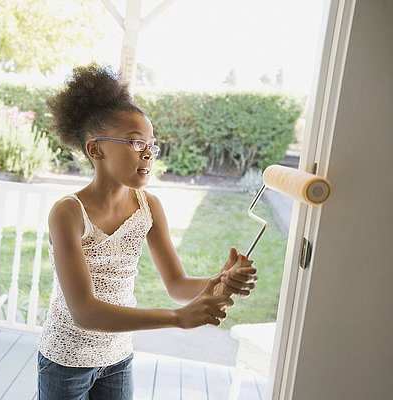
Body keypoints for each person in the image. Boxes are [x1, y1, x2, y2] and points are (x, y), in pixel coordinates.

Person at [36, 63, 258, 400]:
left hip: (118, 359)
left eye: (151, 145)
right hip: (66, 362)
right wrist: (176, 319)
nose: (148, 154)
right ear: (96, 149)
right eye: (135, 143)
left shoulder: (148, 207)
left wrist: (219, 281)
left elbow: (178, 286)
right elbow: (84, 311)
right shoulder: (68, 213)